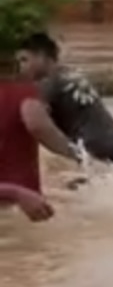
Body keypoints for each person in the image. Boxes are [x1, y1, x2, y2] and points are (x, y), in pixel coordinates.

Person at [17, 32, 113, 163]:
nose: (21, 67)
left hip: (96, 149)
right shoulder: (74, 74)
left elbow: (37, 124)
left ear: (41, 57)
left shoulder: (47, 84)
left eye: (25, 60)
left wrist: (73, 155)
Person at [0, 77, 81, 223]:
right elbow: (36, 125)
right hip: (23, 209)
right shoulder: (22, 89)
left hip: (21, 210)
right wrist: (16, 193)